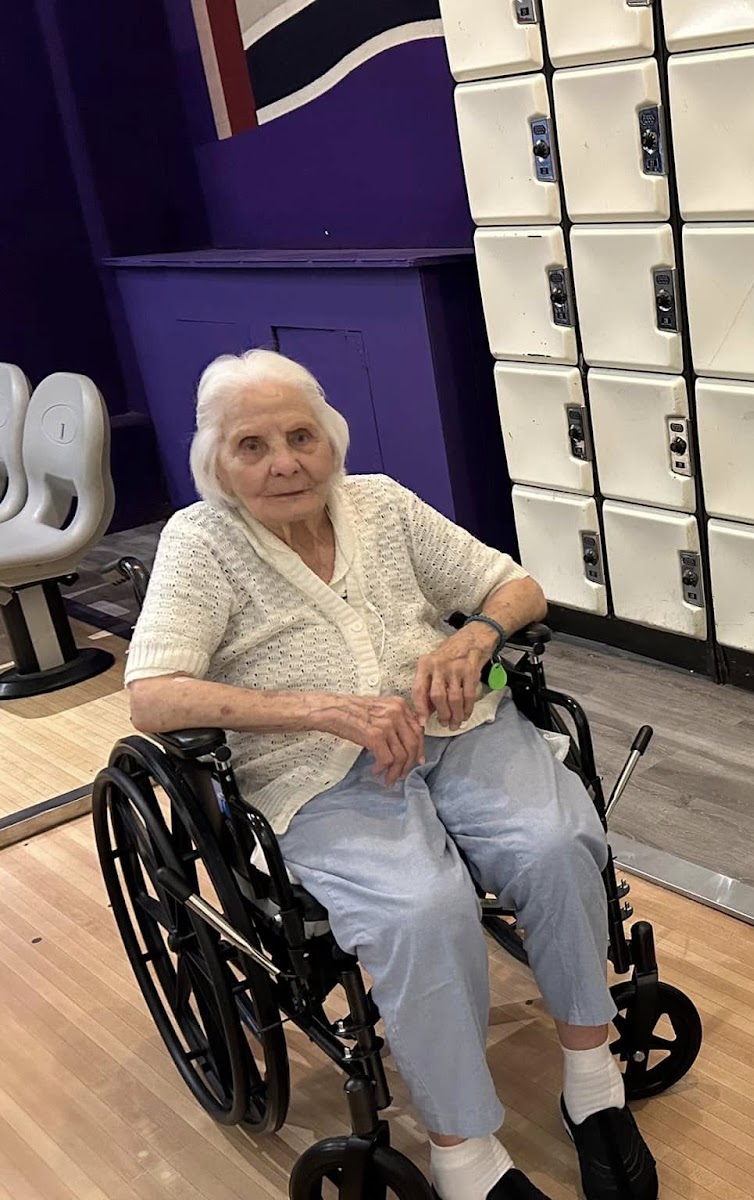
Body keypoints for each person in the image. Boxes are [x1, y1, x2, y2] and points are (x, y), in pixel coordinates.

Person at [125, 350, 656, 1200]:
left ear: (331, 438)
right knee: (422, 908)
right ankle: (466, 1154)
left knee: (556, 843)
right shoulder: (202, 543)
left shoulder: (380, 505)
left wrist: (475, 636)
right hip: (315, 768)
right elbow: (152, 697)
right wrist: (322, 708)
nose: (284, 462)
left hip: (456, 724)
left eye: (300, 435)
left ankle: (593, 1085)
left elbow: (516, 586)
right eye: (251, 446)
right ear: (215, 465)